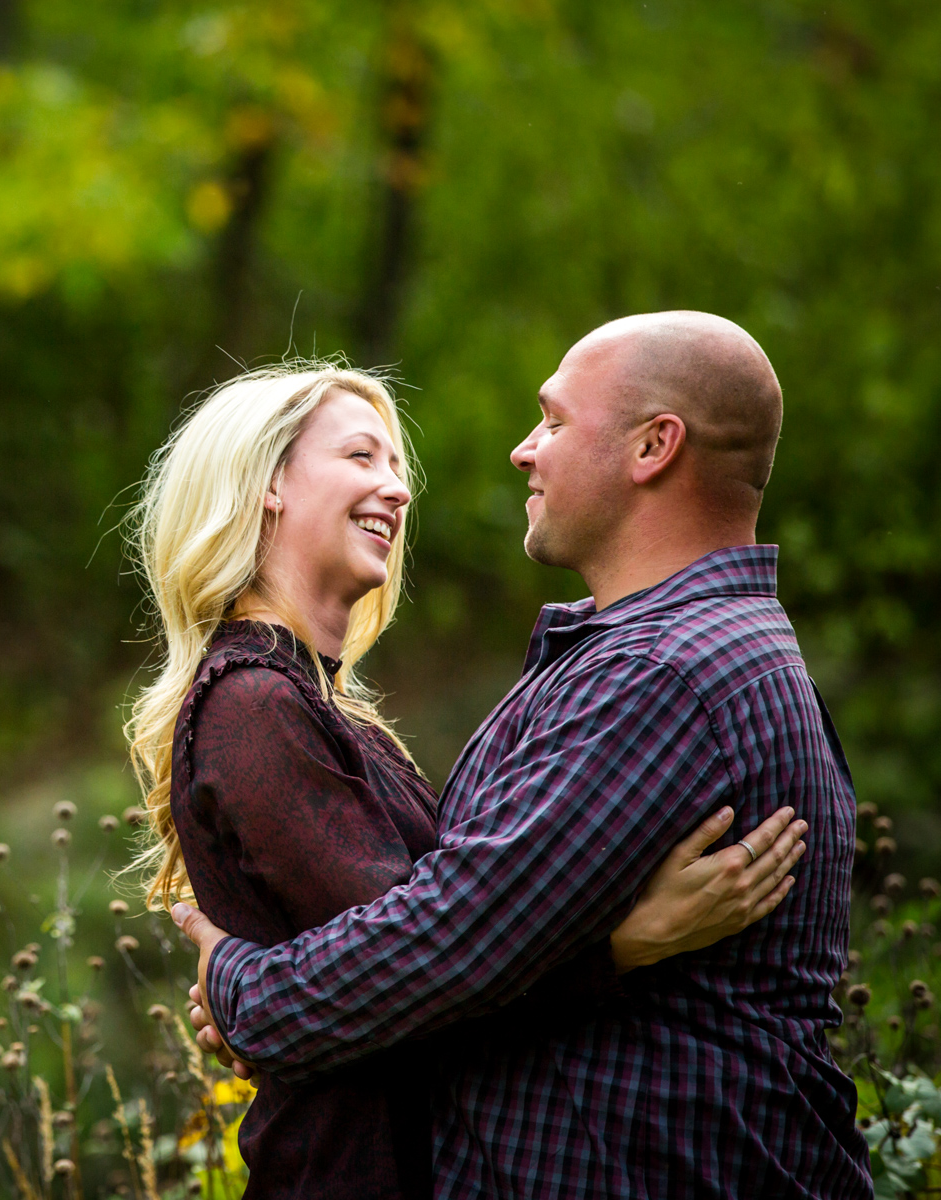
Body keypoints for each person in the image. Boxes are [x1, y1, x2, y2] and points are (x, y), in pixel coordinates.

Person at [176, 314, 872, 1198]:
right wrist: (617, 946)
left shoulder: (663, 674)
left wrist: (244, 992)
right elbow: (463, 936)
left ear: (653, 447)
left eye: (553, 420)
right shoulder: (648, 655)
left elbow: (452, 941)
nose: (522, 450)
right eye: (363, 458)